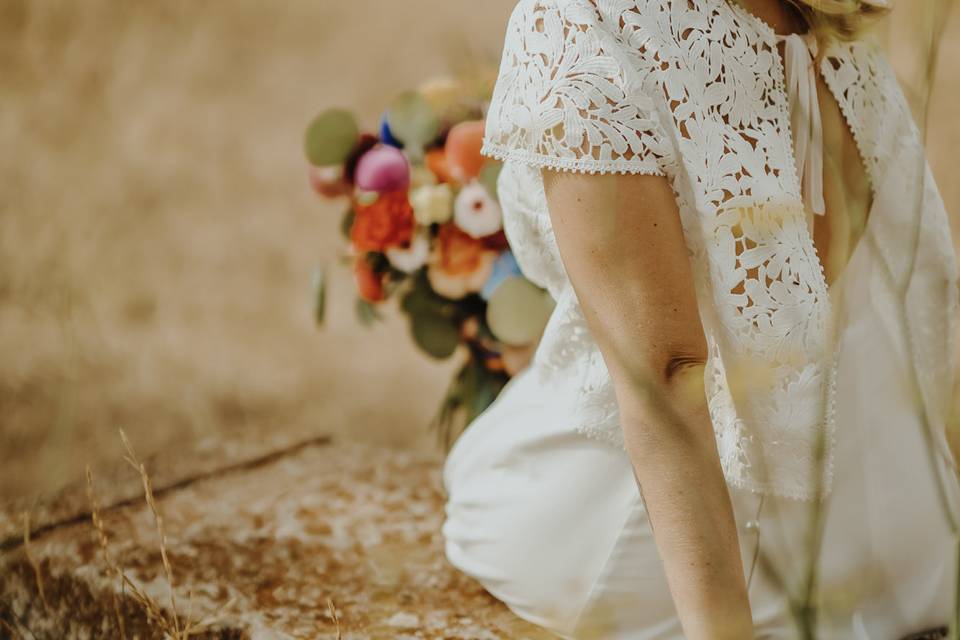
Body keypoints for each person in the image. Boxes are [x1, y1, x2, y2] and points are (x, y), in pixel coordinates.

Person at [440, 0, 960, 638]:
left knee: (483, 495)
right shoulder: (828, 10)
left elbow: (666, 376)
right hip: (897, 531)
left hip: (677, 555)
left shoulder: (580, 22)